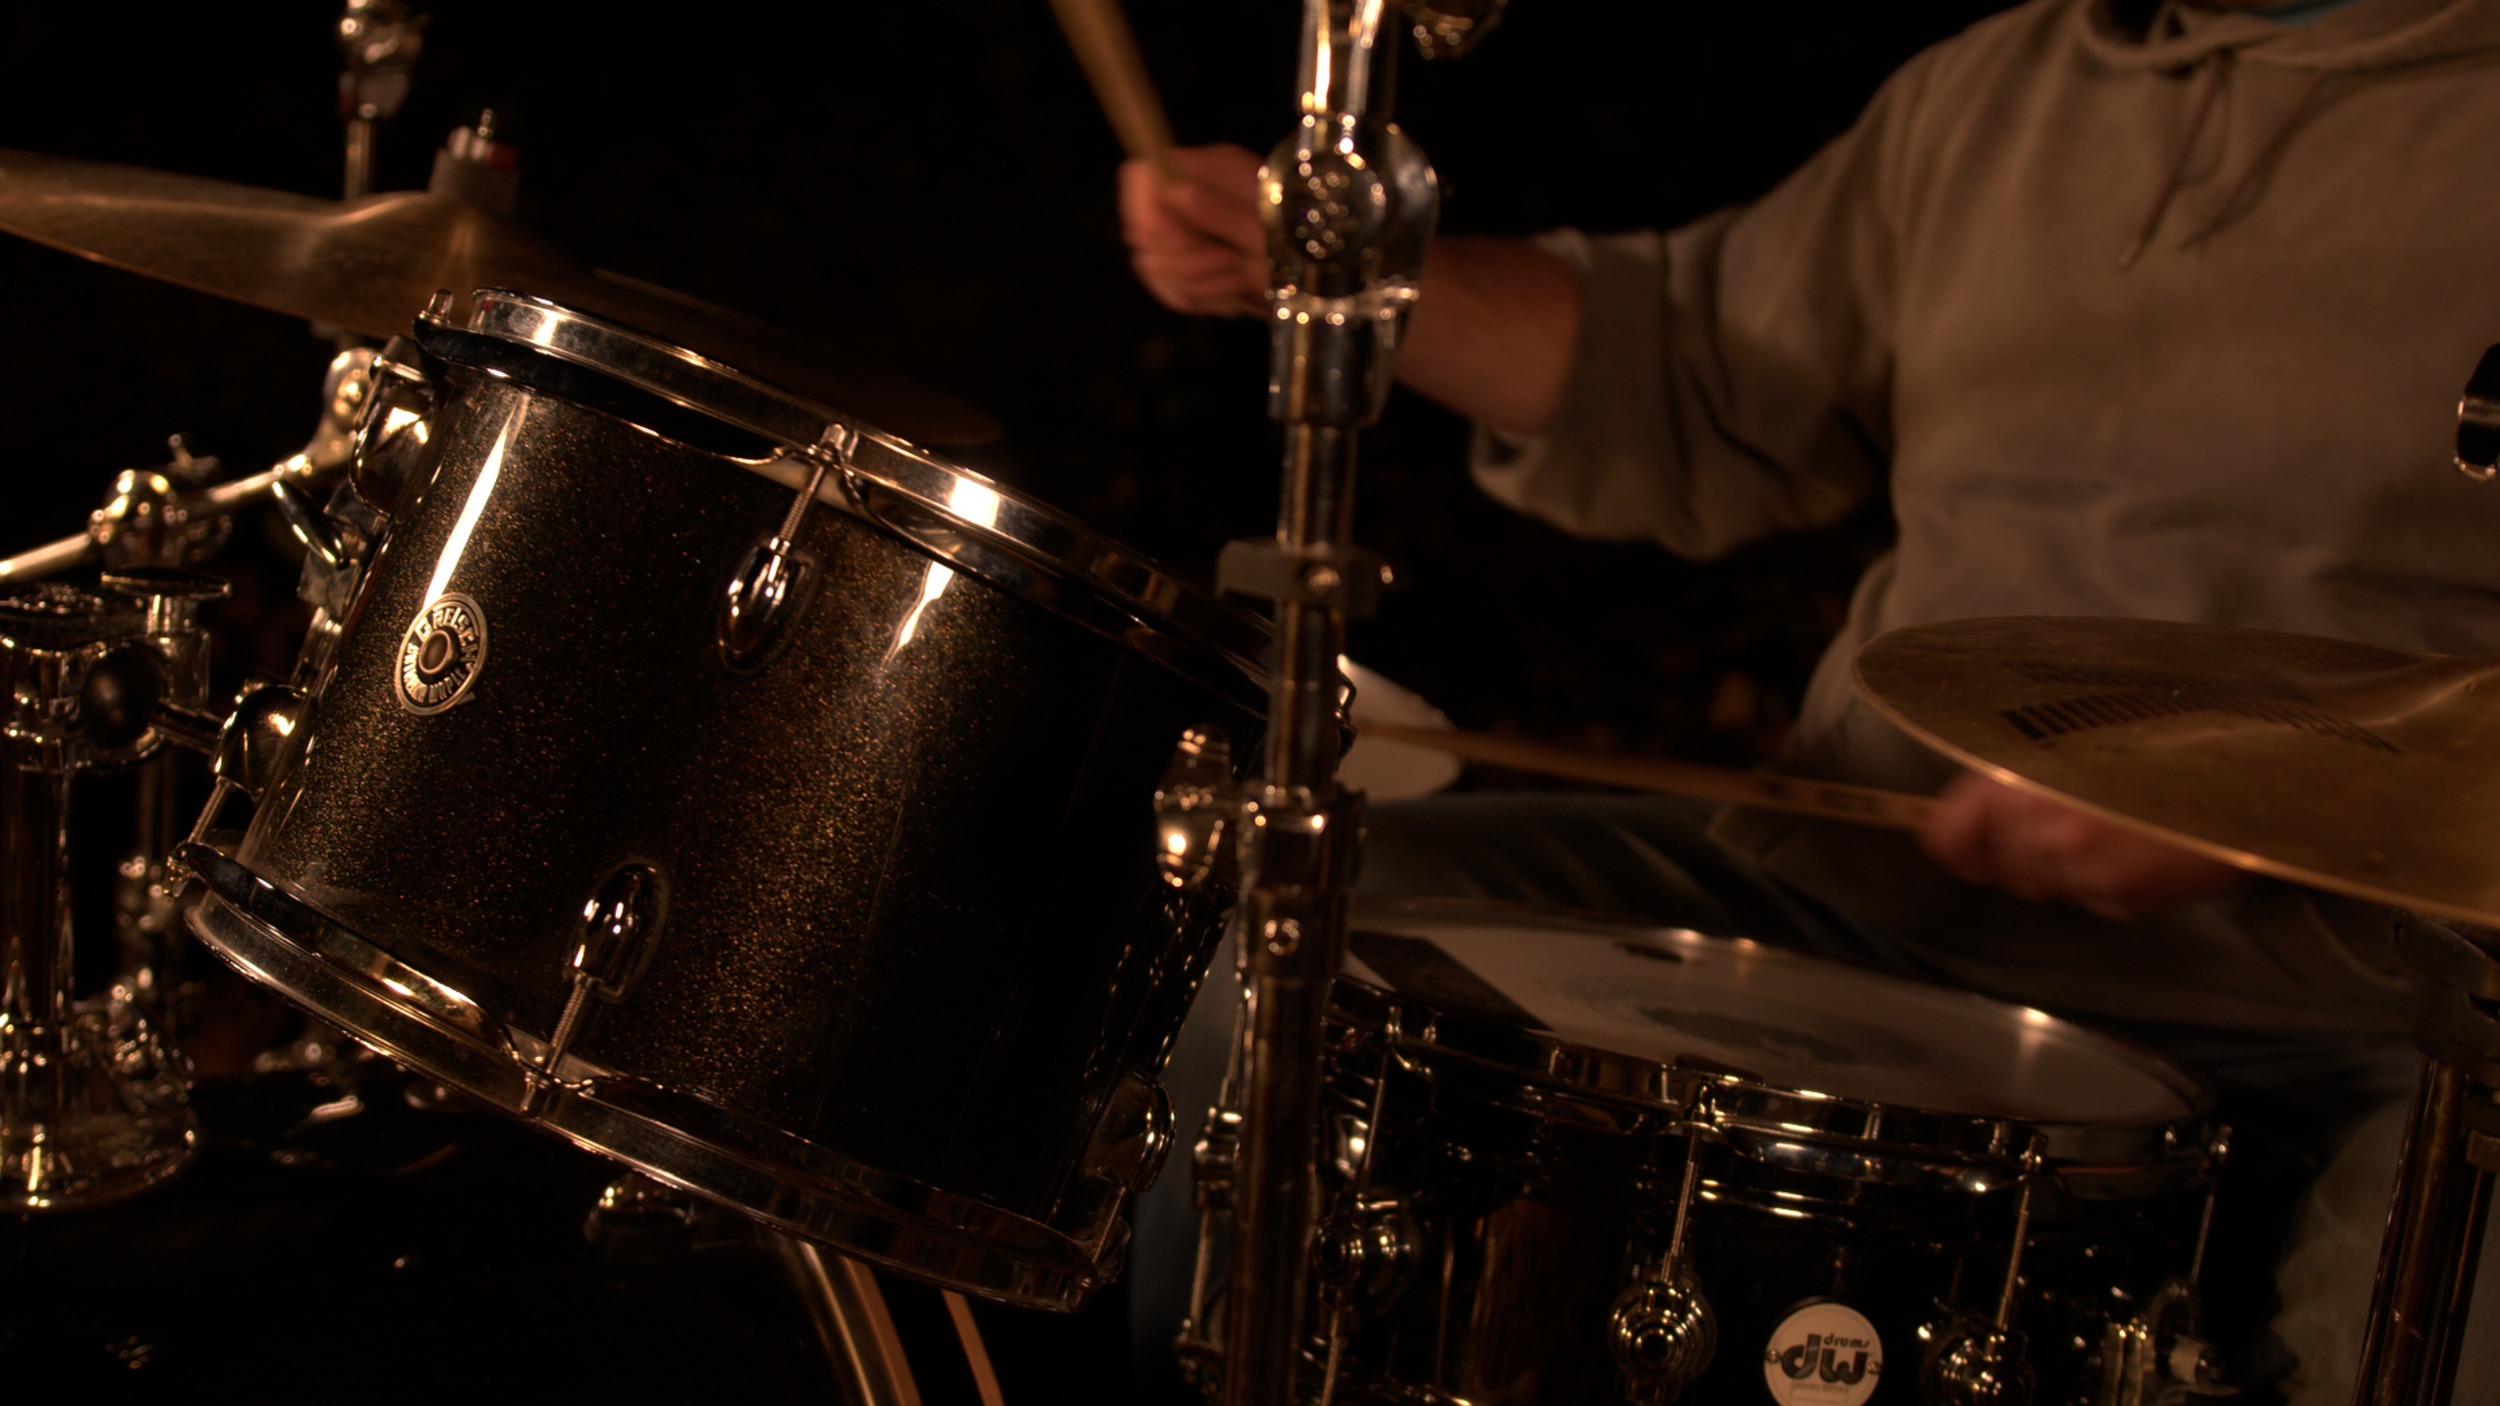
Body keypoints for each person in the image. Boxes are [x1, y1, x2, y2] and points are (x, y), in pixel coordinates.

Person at [1121, 0, 2500, 1398]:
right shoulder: (2009, 83)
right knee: (1283, 934)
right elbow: (1691, 360)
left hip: (2379, 1018)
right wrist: (1348, 263)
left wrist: (2256, 804)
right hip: (1866, 890)